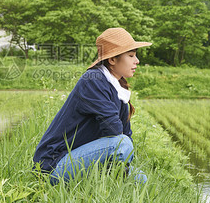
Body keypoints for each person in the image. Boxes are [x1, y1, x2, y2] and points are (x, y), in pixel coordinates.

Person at [33, 27, 152, 185]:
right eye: (131, 55)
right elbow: (115, 131)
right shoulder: (93, 80)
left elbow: (125, 132)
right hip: (53, 166)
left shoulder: (118, 87)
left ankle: (106, 185)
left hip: (78, 158)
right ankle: (103, 180)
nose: (136, 61)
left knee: (140, 179)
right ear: (112, 60)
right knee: (121, 144)